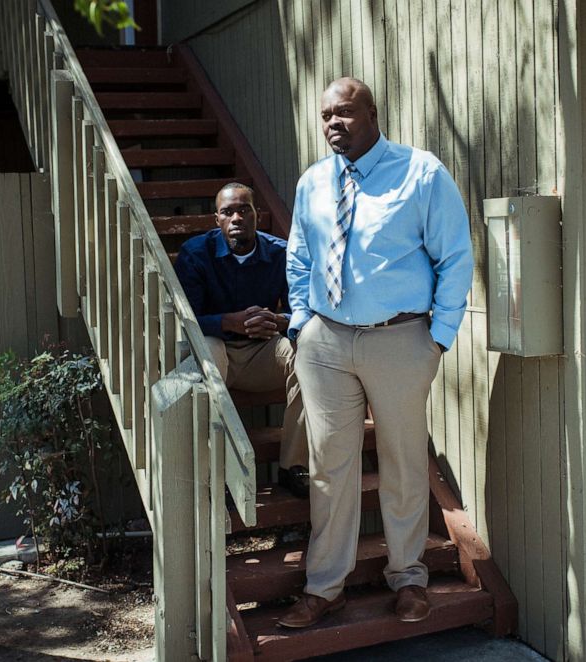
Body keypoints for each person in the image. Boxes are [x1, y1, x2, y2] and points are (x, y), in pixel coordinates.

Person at [278, 78, 473, 627]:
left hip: (400, 340)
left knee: (404, 464)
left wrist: (438, 338)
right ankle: (324, 587)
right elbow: (298, 256)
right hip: (325, 342)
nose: (332, 124)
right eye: (325, 116)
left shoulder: (421, 173)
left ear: (372, 114)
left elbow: (455, 258)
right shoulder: (313, 181)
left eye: (343, 113)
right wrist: (300, 324)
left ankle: (409, 578)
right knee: (329, 467)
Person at [174, 182, 309, 497]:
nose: (236, 218)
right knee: (205, 351)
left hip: (261, 352)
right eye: (227, 212)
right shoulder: (196, 254)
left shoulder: (280, 253)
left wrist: (277, 321)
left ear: (257, 215)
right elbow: (186, 321)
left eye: (243, 210)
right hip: (217, 348)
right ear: (216, 219)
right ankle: (215, 475)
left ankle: (293, 467)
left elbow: (301, 311)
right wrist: (229, 322)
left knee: (307, 356)